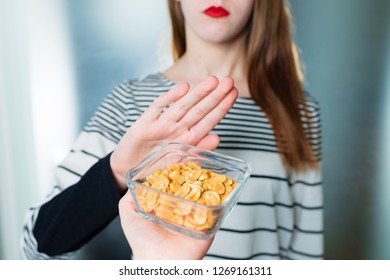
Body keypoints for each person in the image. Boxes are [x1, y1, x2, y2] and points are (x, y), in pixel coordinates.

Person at [21, 0, 323, 260]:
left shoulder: (299, 111)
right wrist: (117, 170)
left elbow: (305, 253)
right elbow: (36, 246)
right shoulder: (131, 102)